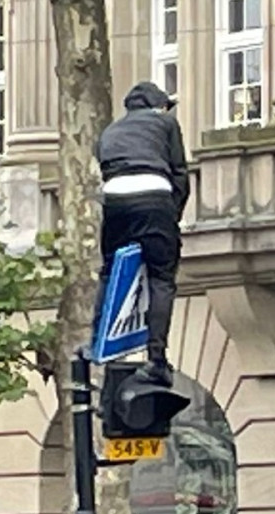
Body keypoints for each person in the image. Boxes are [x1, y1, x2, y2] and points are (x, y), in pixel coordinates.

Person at [95, 81, 189, 386]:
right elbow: (179, 174)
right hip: (154, 196)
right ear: (158, 106)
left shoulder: (109, 132)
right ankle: (157, 358)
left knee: (110, 272)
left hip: (116, 201)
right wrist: (171, 217)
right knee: (162, 278)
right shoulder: (165, 123)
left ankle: (96, 341)